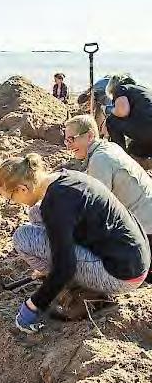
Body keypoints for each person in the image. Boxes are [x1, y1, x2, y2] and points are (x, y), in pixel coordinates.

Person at [0, 154, 150, 333]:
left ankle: (74, 290)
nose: (13, 203)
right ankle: (62, 279)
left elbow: (65, 268)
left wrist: (32, 306)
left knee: (23, 237)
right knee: (35, 214)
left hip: (121, 275)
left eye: (10, 198)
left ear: (22, 188)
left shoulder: (56, 205)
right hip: (134, 257)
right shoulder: (65, 178)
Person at [64, 114, 152, 281]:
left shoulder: (99, 159)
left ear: (89, 136)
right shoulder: (108, 147)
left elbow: (99, 210)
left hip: (146, 232)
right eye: (66, 141)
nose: (69, 146)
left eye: (72, 139)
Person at [105, 74, 152, 158]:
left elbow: (123, 112)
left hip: (147, 129)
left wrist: (109, 109)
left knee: (111, 120)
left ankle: (119, 157)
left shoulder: (121, 88)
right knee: (133, 149)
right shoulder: (144, 90)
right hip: (147, 132)